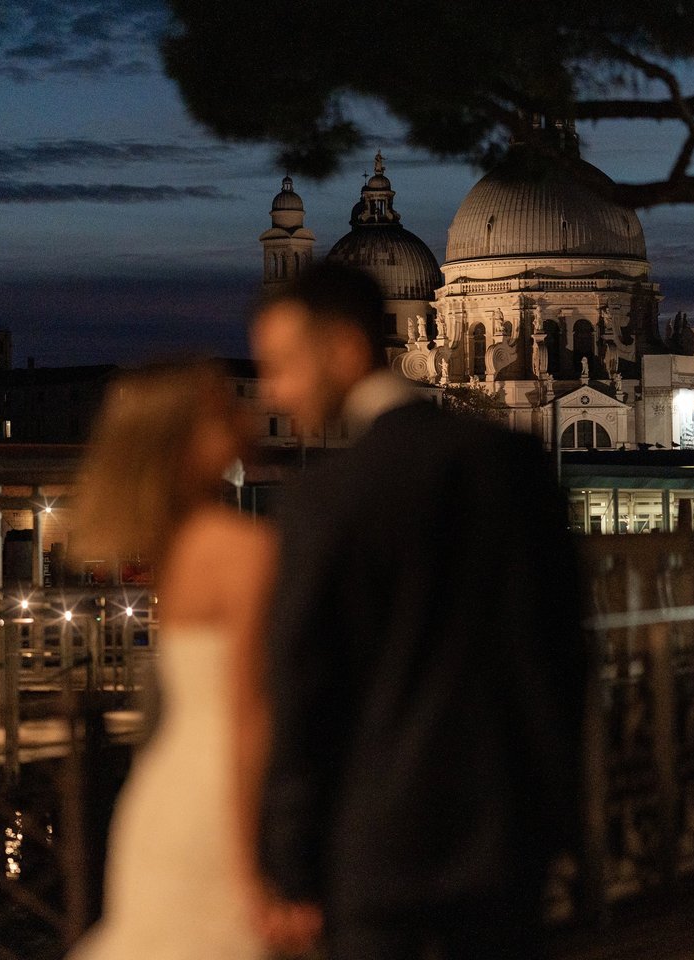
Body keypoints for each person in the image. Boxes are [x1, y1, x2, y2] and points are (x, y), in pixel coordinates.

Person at [250, 262, 587, 960]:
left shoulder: (323, 500)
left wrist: (291, 868)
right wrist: (562, 821)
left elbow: (304, 697)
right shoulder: (514, 463)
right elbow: (561, 658)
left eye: (284, 366)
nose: (275, 391)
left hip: (372, 850)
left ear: (346, 349)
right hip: (505, 836)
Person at [66, 361, 287, 960]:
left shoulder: (175, 549)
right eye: (224, 411)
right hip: (224, 805)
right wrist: (257, 867)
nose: (247, 416)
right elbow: (251, 712)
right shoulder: (243, 550)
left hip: (164, 794)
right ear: (183, 440)